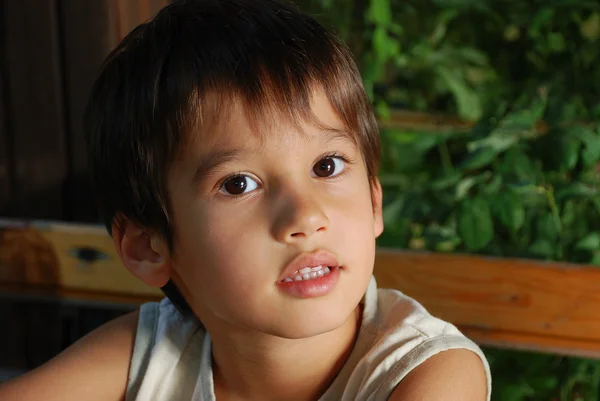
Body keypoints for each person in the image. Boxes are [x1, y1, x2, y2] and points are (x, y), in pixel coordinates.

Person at [0, 0, 490, 399]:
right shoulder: (151, 353)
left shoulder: (430, 372)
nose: (306, 216)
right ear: (150, 246)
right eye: (238, 184)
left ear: (375, 200)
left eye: (327, 166)